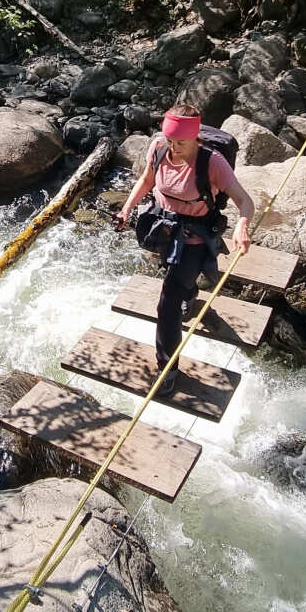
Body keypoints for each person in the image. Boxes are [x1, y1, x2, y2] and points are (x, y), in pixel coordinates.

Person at [114, 105, 254, 397]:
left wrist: (242, 226)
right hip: (164, 228)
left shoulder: (212, 162)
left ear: (195, 139)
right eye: (170, 140)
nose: (174, 148)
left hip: (194, 237)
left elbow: (244, 200)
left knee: (167, 304)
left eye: (181, 142)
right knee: (176, 278)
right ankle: (189, 297)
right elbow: (147, 181)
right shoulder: (159, 147)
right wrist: (127, 208)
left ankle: (167, 369)